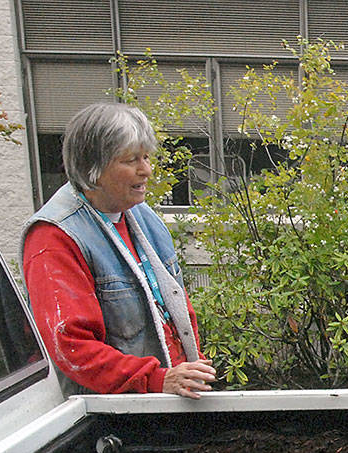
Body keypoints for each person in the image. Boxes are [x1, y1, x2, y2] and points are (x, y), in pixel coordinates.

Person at [21, 102, 215, 398]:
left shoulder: (141, 215)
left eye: (147, 157)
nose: (146, 170)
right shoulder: (53, 237)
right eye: (131, 160)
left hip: (163, 404)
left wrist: (188, 365)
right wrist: (156, 379)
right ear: (93, 168)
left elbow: (176, 303)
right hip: (109, 419)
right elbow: (71, 346)